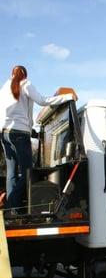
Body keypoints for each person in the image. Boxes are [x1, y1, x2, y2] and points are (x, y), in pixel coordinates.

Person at [0, 65, 76, 214]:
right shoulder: (26, 84)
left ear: (11, 74)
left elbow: (11, 115)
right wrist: (68, 96)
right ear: (25, 75)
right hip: (20, 134)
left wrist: (32, 132)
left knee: (12, 173)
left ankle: (13, 210)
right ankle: (11, 205)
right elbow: (42, 100)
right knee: (28, 171)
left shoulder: (4, 88)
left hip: (5, 134)